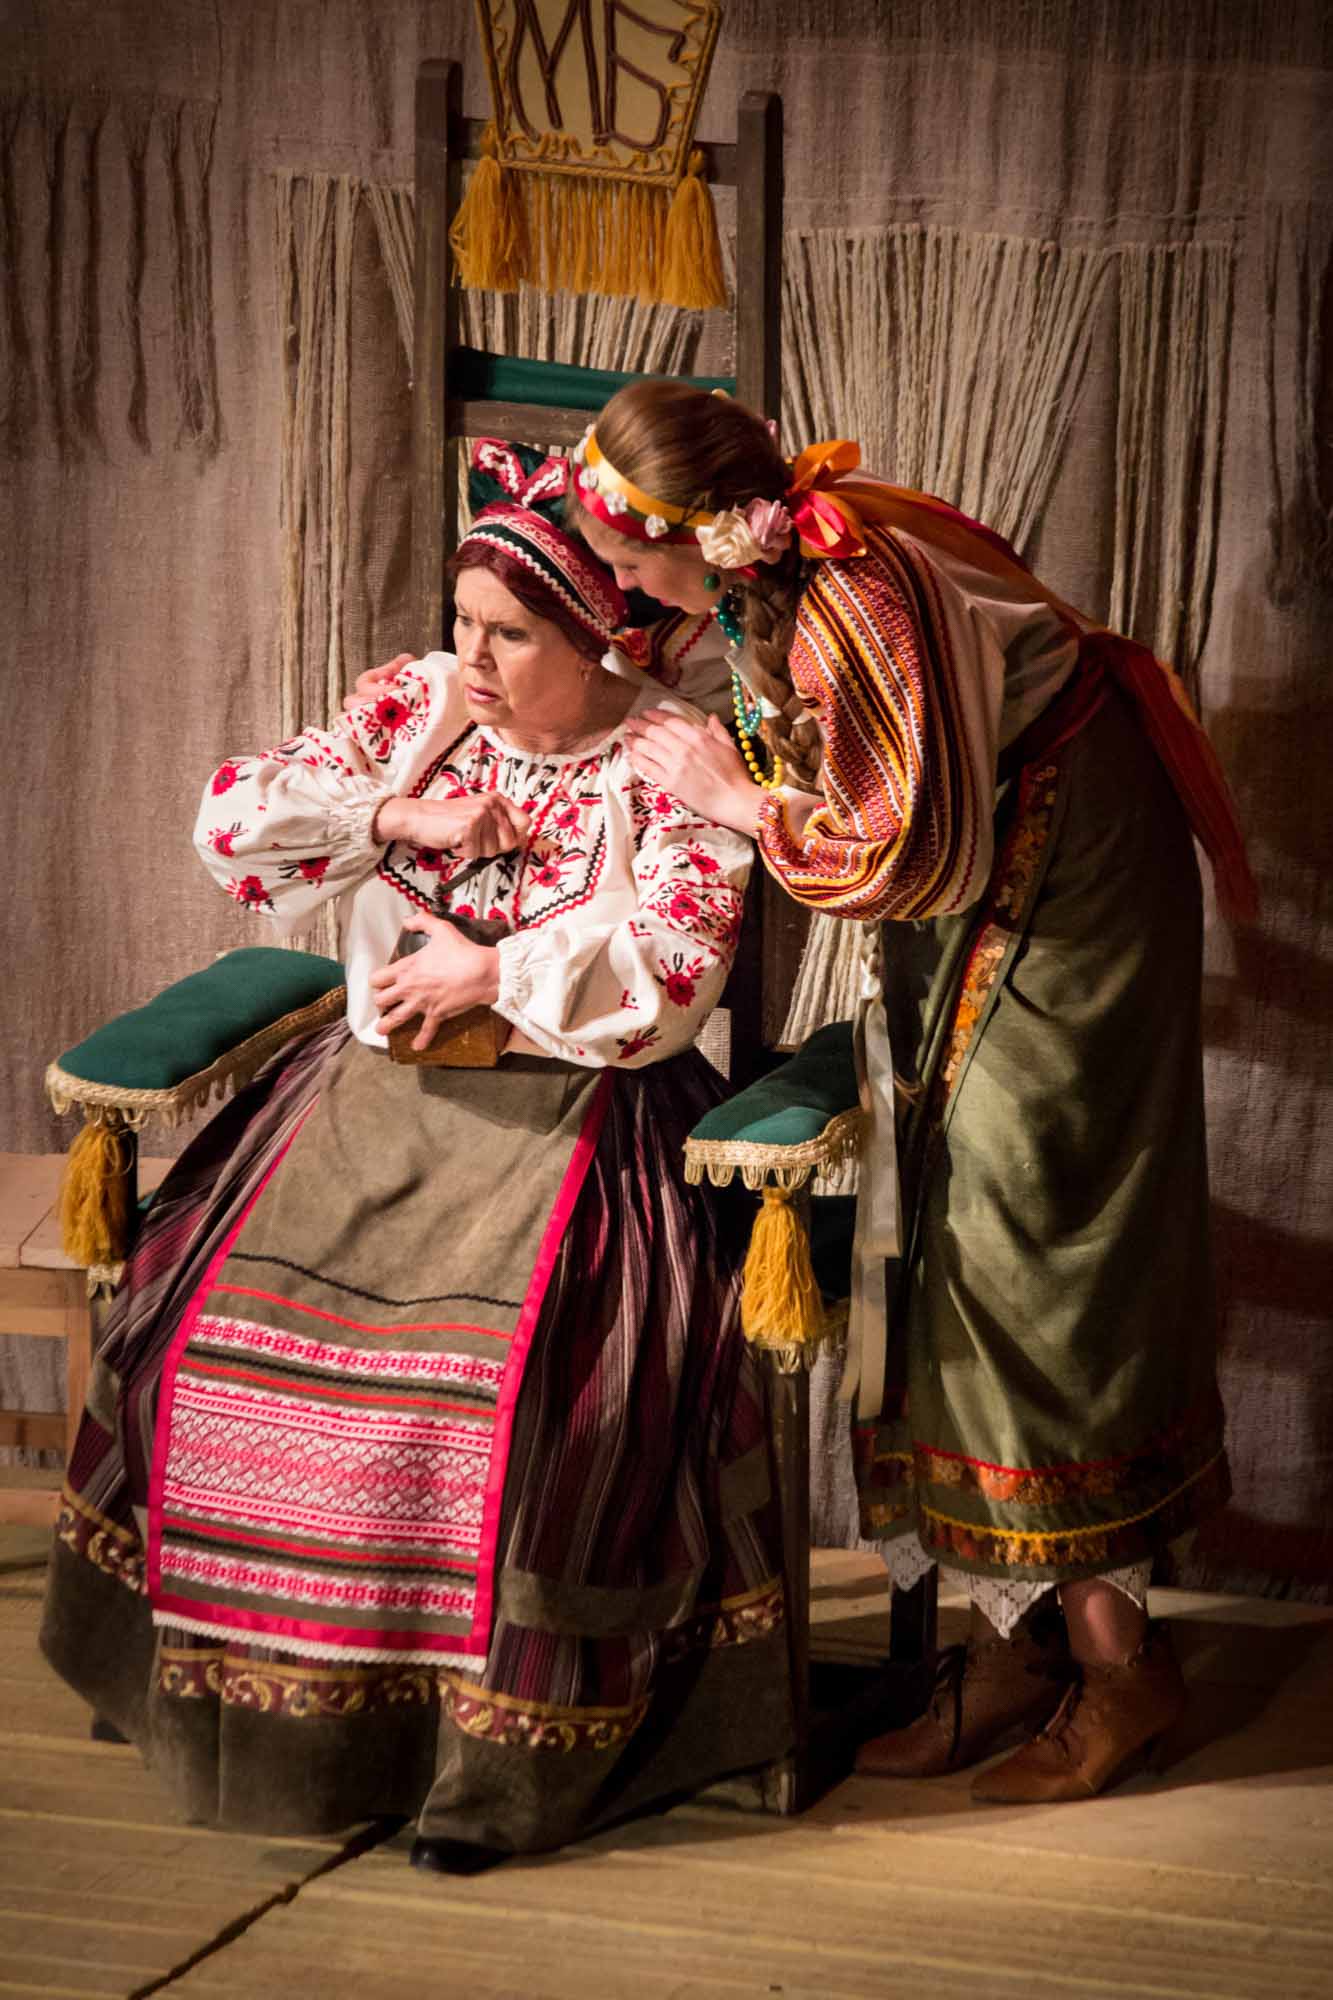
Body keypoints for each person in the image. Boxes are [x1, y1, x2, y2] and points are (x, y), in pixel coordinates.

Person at [40, 439, 791, 1867]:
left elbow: (676, 970)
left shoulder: (668, 758)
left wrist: (490, 973)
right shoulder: (417, 707)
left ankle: (490, 1767)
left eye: (511, 635)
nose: (474, 657)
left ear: (597, 635)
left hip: (575, 1120)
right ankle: (240, 1716)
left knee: (519, 1409)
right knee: (183, 1338)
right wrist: (395, 810)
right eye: (464, 621)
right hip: (369, 1101)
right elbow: (232, 819)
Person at [563, 378, 1254, 1804]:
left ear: (699, 531)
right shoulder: (768, 570)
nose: (626, 588)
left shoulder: (852, 598)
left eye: (632, 559)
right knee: (933, 1221)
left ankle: (1123, 1665)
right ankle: (1018, 1637)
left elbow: (897, 856)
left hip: (1064, 877)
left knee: (1026, 1233)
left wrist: (737, 802)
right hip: (997, 860)